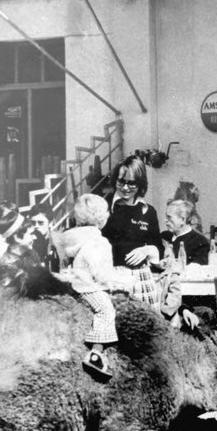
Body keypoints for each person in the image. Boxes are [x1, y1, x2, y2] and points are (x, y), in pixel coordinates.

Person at [56, 194, 131, 379]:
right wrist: (118, 281)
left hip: (73, 284)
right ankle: (96, 353)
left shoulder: (72, 239)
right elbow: (101, 274)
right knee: (106, 310)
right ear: (101, 218)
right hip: (88, 286)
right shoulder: (99, 242)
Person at [100, 155, 162, 312]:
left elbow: (158, 247)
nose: (125, 188)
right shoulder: (103, 208)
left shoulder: (148, 211)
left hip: (142, 279)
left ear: (140, 183)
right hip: (112, 279)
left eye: (132, 183)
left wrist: (147, 250)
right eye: (121, 182)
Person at [160, 200, 210, 265]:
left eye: (169, 217)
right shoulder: (164, 236)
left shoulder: (199, 242)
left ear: (183, 219)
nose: (165, 220)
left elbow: (197, 270)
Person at [26, 204, 60, 271]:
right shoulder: (28, 241)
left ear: (50, 223)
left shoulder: (58, 241)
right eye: (33, 223)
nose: (36, 226)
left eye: (40, 223)